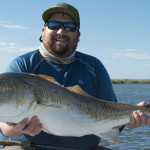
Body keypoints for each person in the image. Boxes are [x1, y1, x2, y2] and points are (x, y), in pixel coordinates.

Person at [0, 2, 149, 150]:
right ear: (43, 30)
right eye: (53, 25)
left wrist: (132, 119)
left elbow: (110, 111)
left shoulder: (93, 66)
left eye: (69, 27)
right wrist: (17, 128)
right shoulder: (22, 65)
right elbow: (5, 129)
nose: (60, 31)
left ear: (77, 35)